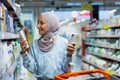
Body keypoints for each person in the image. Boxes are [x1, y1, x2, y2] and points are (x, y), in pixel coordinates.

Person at [20, 12, 76, 80]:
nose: (37, 26)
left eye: (41, 23)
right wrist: (24, 53)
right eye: (37, 23)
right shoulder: (34, 45)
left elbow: (67, 71)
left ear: (51, 24)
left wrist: (69, 55)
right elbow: (33, 69)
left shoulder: (64, 42)